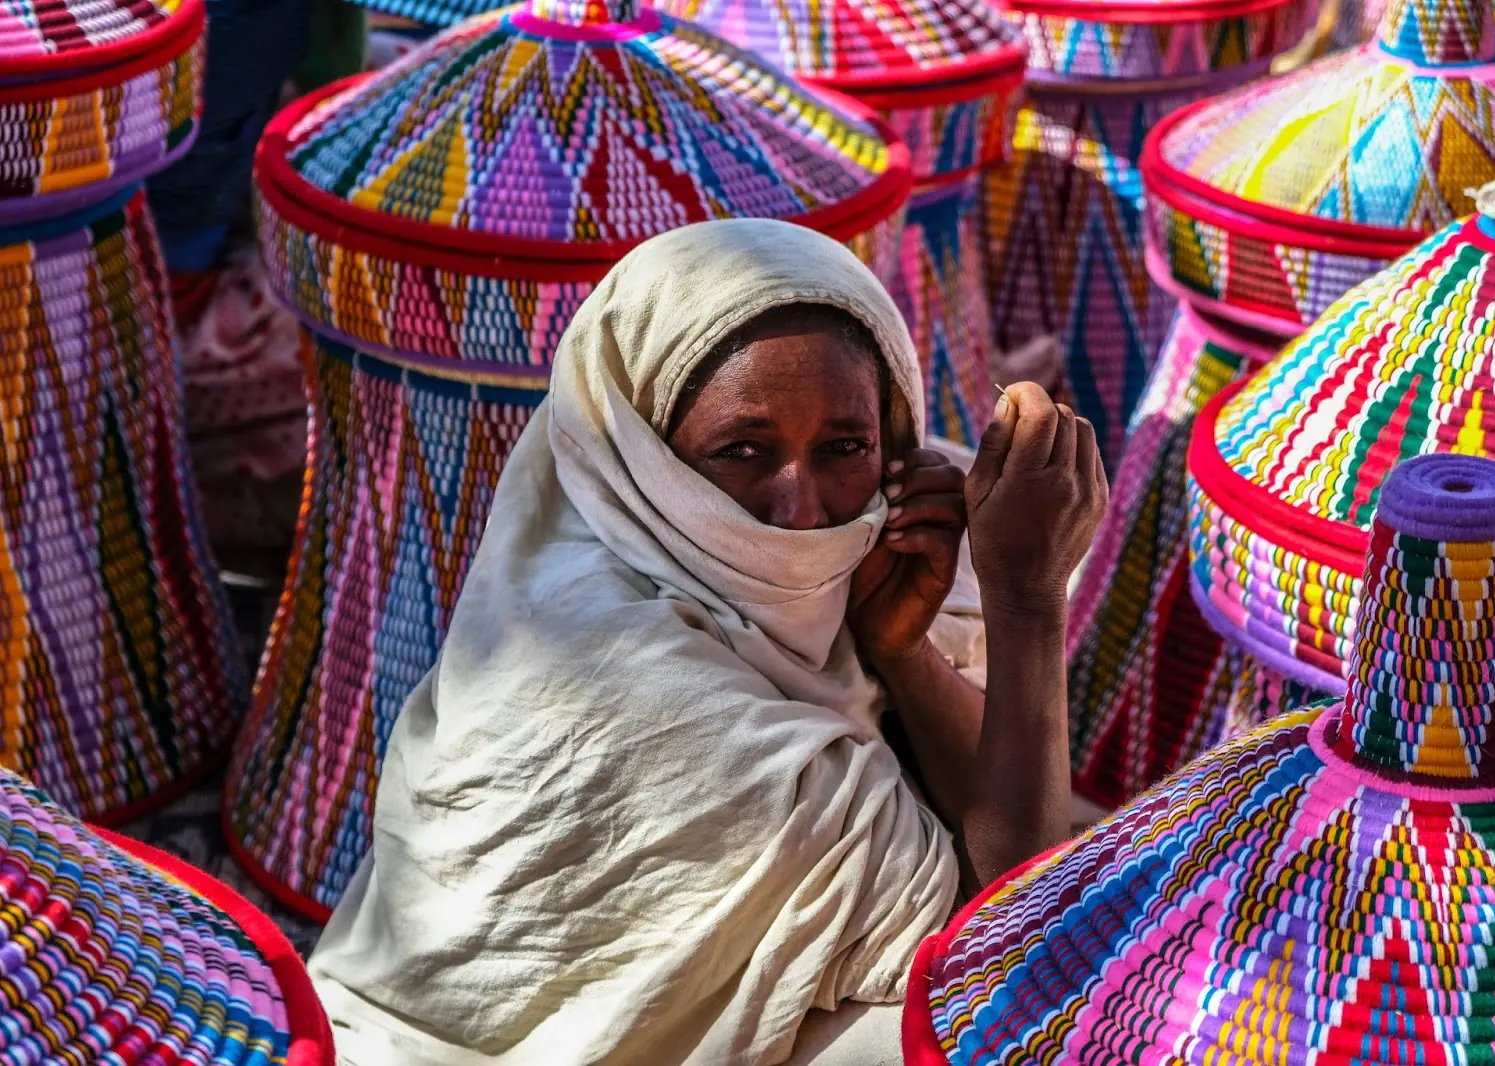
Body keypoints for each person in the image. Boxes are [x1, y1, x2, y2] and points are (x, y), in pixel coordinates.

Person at [305, 219, 1108, 1065]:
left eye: (845, 447)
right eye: (742, 451)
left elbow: (1009, 839)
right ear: (644, 456)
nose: (800, 511)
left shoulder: (876, 563)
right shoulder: (629, 679)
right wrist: (1028, 598)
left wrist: (902, 656)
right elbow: (1015, 940)